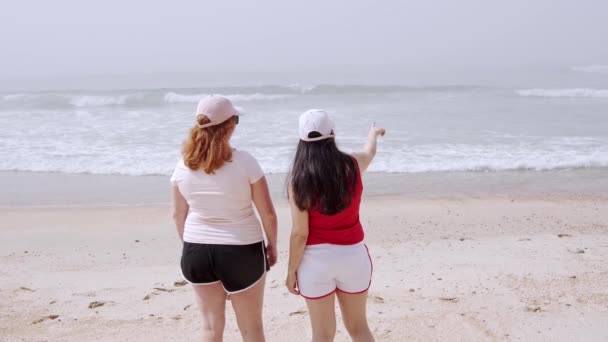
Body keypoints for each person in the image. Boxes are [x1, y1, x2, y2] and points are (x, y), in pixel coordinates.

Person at [171, 95, 278, 342]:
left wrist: (190, 245)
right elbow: (268, 214)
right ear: (228, 126)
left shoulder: (183, 166)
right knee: (251, 329)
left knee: (209, 328)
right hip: (242, 250)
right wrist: (272, 246)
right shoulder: (245, 162)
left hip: (196, 251)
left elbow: (178, 214)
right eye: (235, 120)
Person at [285, 109, 385, 342]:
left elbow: (300, 233)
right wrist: (373, 133)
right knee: (359, 328)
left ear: (301, 140)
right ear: (332, 134)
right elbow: (369, 152)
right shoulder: (352, 164)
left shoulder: (299, 180)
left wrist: (291, 272)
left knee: (322, 334)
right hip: (353, 258)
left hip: (314, 262)